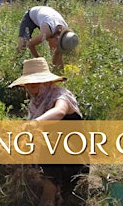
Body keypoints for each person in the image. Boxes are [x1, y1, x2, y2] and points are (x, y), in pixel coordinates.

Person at [8, 57, 88, 205]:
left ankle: (49, 195)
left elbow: (59, 111)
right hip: (54, 162)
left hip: (74, 159)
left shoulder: (61, 95)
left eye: (36, 81)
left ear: (46, 81)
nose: (32, 85)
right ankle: (54, 190)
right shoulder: (36, 104)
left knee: (51, 132)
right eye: (29, 82)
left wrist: (34, 124)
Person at [17, 6, 79, 70]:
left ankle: (57, 73)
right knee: (22, 45)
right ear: (57, 38)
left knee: (56, 50)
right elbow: (30, 45)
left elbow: (57, 53)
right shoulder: (47, 32)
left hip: (46, 18)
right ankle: (15, 64)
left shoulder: (66, 32)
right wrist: (41, 62)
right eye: (59, 43)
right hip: (31, 16)